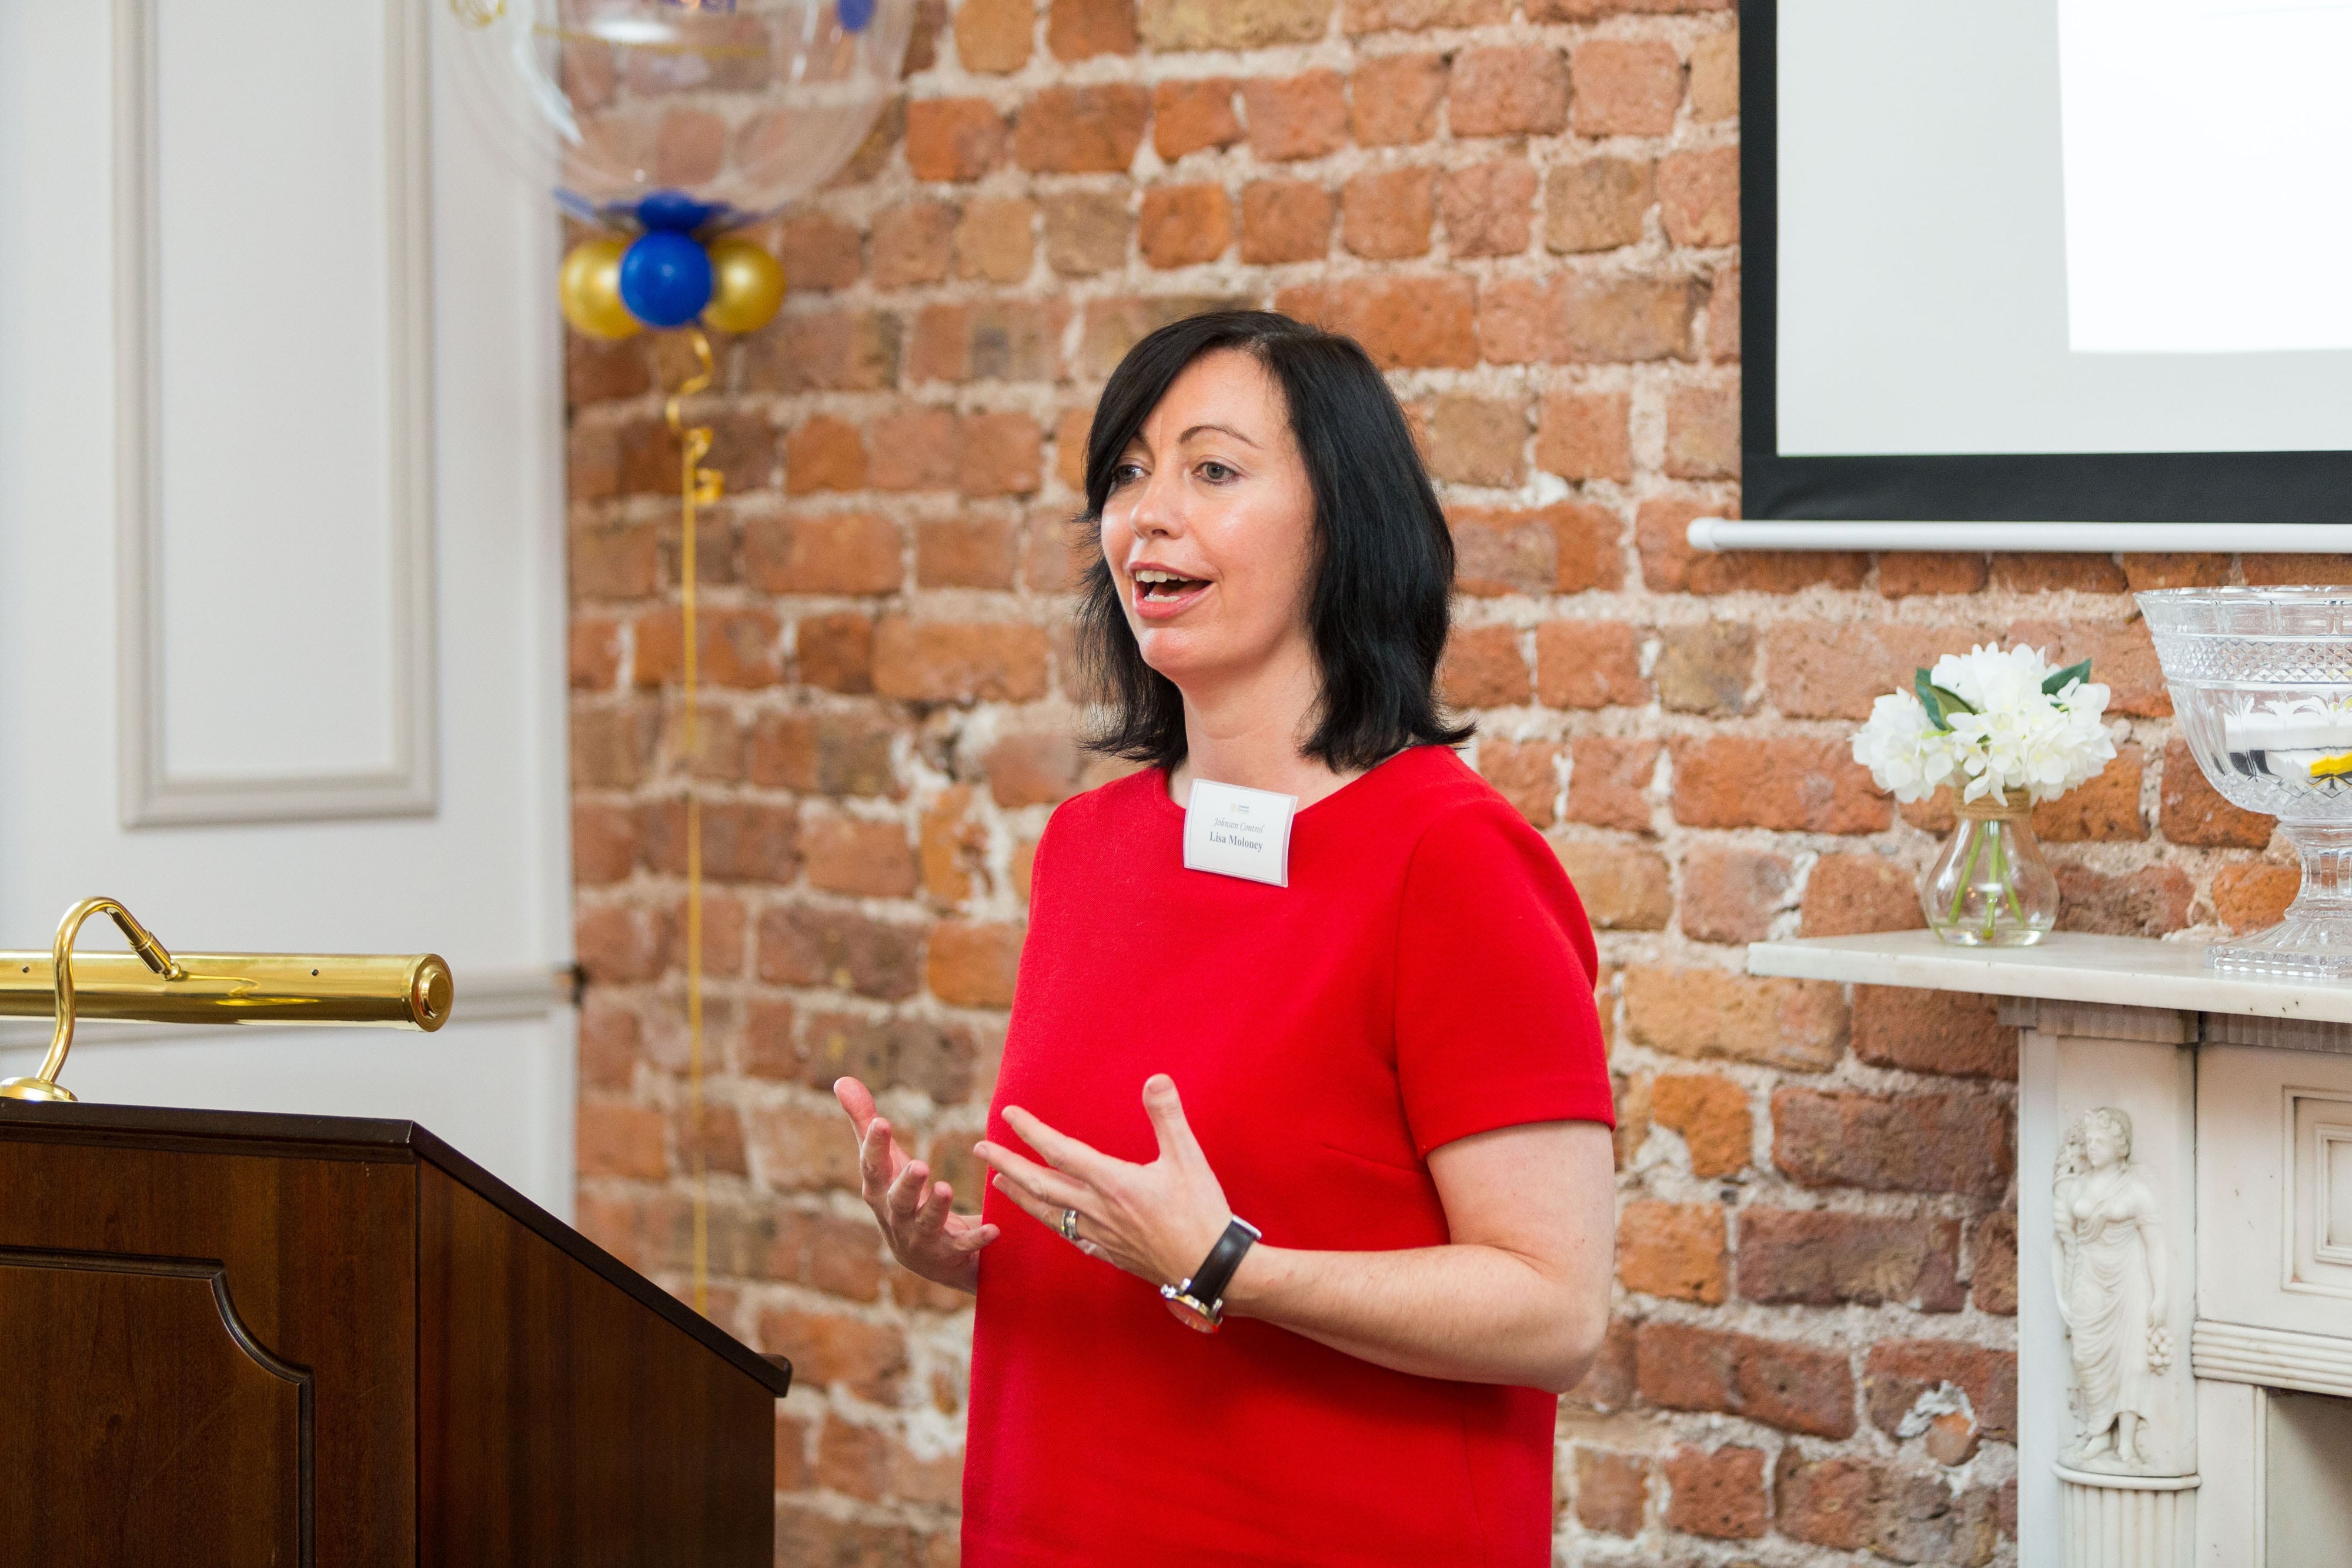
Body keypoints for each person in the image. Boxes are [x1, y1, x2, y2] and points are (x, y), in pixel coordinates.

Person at [831, 309, 1616, 1566]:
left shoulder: (1449, 859)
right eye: (1127, 472)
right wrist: (982, 1257)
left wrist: (1225, 1263)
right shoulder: (1089, 846)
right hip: (1062, 1517)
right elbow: (1147, 1235)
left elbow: (1555, 1308)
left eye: (1212, 468)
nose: (1148, 512)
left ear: (1341, 523)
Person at [2053, 1106, 2172, 1472]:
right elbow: (2061, 1242)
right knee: (2085, 1356)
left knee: (2134, 1361)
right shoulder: (2077, 1186)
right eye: (2089, 1141)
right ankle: (2098, 1431)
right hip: (2088, 1279)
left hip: (2129, 1280)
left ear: (2120, 1146)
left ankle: (2126, 1444)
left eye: (2100, 1141)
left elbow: (2156, 1245)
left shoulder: (2136, 1190)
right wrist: (2060, 1292)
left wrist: (2162, 1293)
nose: (2092, 1147)